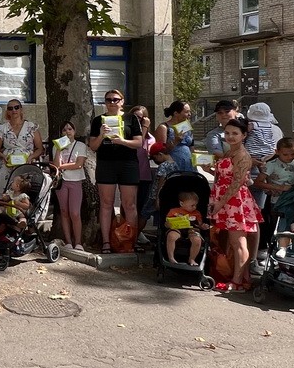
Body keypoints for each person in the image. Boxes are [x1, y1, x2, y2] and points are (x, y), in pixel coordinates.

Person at [210, 117, 262, 290]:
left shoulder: (242, 155)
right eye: (227, 133)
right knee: (235, 242)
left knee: (238, 242)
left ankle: (237, 281)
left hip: (235, 201)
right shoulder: (230, 152)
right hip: (227, 199)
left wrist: (220, 203)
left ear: (244, 135)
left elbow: (236, 183)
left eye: (235, 133)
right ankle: (244, 279)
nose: (230, 136)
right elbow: (226, 176)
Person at [87, 90, 142, 253]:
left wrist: (122, 141)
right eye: (108, 100)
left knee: (129, 204)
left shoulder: (131, 118)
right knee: (106, 204)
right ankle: (106, 242)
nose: (112, 102)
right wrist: (101, 135)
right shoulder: (98, 120)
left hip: (128, 164)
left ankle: (131, 241)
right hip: (106, 164)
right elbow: (93, 146)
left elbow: (139, 143)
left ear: (122, 101)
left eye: (115, 99)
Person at [254, 136, 294, 248]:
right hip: (277, 201)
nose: (290, 157)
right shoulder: (272, 164)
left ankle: (291, 247)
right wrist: (279, 187)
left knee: (293, 224)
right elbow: (258, 182)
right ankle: (275, 247)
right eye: (285, 154)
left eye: (293, 154)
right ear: (277, 152)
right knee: (277, 224)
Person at [51, 120, 89, 251]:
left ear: (74, 131)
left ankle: (78, 242)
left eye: (70, 129)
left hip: (76, 180)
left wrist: (61, 166)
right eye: (64, 130)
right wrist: (58, 149)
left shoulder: (80, 145)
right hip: (62, 182)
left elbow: (78, 164)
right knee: (64, 211)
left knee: (75, 212)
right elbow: (55, 165)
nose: (67, 132)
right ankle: (68, 241)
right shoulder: (56, 146)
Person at [163, 190, 204, 266]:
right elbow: (167, 222)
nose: (194, 207)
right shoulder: (174, 211)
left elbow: (200, 224)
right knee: (171, 236)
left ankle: (192, 259)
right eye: (192, 205)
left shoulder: (197, 213)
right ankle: (171, 258)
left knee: (197, 240)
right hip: (177, 228)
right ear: (182, 203)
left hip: (192, 229)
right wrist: (168, 224)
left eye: (196, 205)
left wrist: (203, 226)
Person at [154, 100, 196, 173]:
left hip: (189, 167)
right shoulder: (164, 127)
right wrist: (175, 141)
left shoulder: (186, 127)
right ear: (176, 113)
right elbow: (161, 152)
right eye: (186, 112)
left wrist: (199, 162)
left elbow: (192, 149)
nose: (189, 114)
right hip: (173, 168)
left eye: (190, 112)